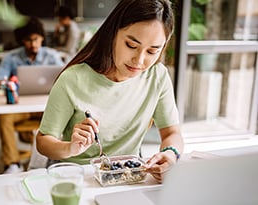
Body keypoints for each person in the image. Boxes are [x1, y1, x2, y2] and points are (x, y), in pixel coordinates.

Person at [36, 0, 184, 182]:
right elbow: (43, 142)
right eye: (131, 45)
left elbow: (172, 134)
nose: (139, 61)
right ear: (113, 34)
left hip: (129, 178)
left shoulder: (158, 77)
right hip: (79, 177)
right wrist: (70, 148)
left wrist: (170, 155)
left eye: (152, 51)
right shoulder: (72, 79)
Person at [0, 16, 64, 174]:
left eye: (36, 39)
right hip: (21, 108)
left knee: (63, 114)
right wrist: (7, 83)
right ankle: (12, 164)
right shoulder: (11, 57)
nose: (33, 44)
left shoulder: (52, 56)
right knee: (3, 116)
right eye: (28, 40)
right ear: (22, 40)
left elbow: (66, 79)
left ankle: (55, 159)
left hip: (46, 108)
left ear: (42, 38)